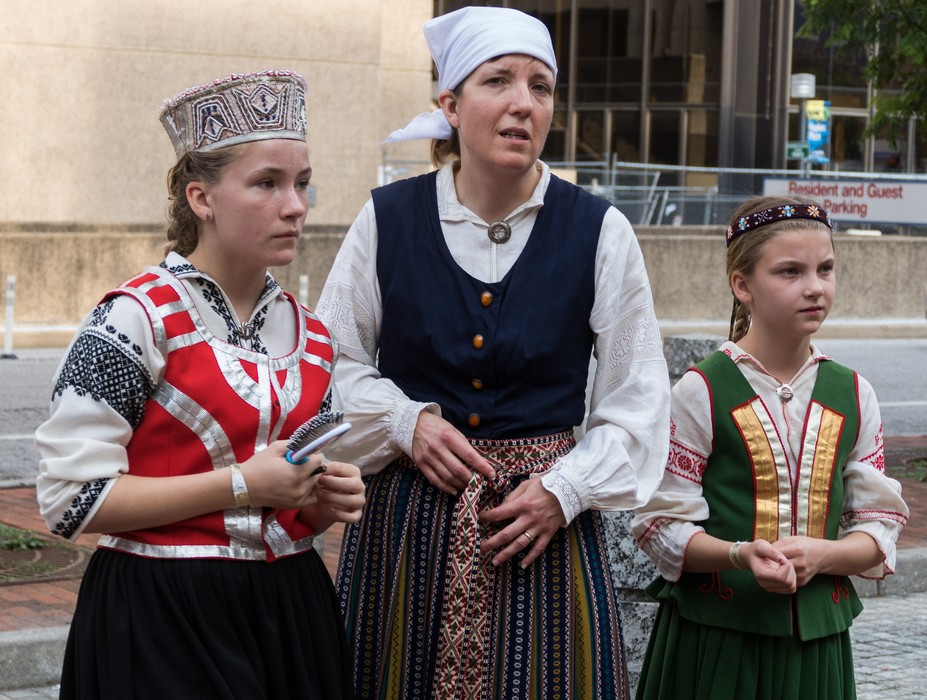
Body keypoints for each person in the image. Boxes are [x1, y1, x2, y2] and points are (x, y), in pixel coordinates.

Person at [315, 6, 670, 699]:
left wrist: (564, 490)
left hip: (541, 530)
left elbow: (638, 397)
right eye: (497, 81)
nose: (521, 103)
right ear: (449, 104)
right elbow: (331, 365)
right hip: (406, 534)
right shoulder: (387, 218)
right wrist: (403, 421)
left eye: (540, 86)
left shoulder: (599, 230)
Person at [35, 70, 364, 699]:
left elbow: (289, 519)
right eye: (266, 183)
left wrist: (321, 501)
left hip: (290, 613)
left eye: (301, 183)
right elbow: (70, 501)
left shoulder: (314, 336)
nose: (295, 205)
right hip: (160, 618)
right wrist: (242, 483)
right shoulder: (133, 318)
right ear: (201, 198)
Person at [631, 195, 909, 699]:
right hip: (717, 641)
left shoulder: (853, 392)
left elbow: (878, 528)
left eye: (825, 269)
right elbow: (661, 526)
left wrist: (823, 555)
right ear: (743, 286)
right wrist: (740, 554)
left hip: (816, 647)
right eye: (789, 272)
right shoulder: (701, 390)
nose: (814, 288)